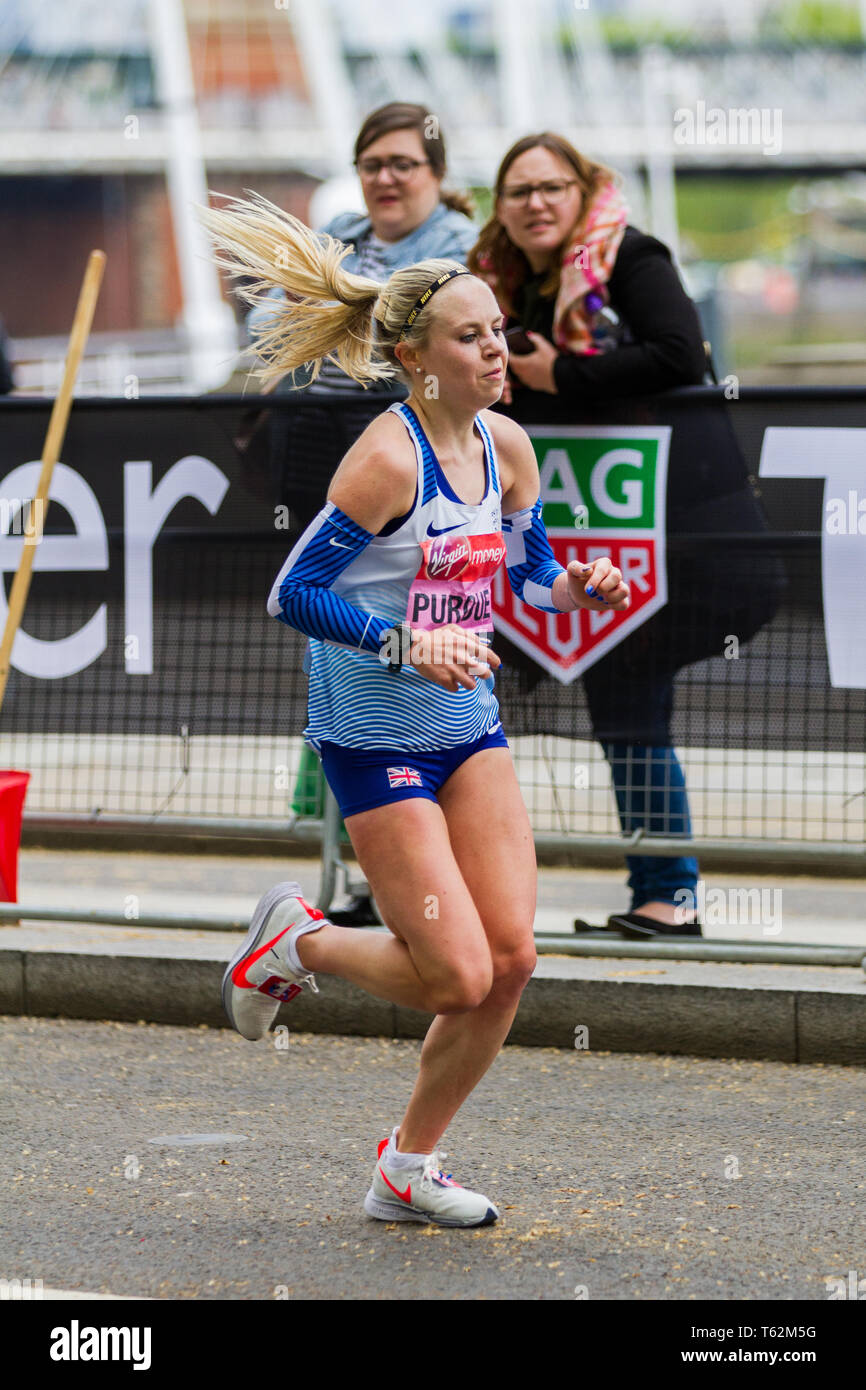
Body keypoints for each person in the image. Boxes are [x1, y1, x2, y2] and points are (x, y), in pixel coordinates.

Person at [201, 193, 630, 1227]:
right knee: (453, 973)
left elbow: (526, 575)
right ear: (415, 358)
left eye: (495, 331)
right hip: (372, 739)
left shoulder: (507, 450)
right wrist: (405, 642)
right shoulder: (384, 461)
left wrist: (583, 587)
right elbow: (292, 594)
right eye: (471, 336)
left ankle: (406, 1165)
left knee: (510, 961)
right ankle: (292, 941)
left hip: (466, 728)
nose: (494, 349)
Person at [469, 132, 708, 939]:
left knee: (633, 709)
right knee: (464, 706)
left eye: (552, 186)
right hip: (536, 526)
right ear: (500, 208)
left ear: (583, 191)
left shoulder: (632, 258)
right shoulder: (502, 283)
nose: (536, 202)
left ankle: (667, 898)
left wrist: (557, 376)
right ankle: (467, 902)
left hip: (641, 524)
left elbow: (680, 352)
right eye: (518, 190)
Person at [246, 102, 478, 924]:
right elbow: (265, 324)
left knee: (415, 667)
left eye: (403, 164)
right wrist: (346, 304)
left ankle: (420, 883)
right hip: (323, 461)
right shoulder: (340, 232)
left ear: (436, 176)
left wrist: (338, 305)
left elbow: (423, 318)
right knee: (335, 651)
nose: (385, 177)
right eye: (372, 162)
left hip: (414, 469)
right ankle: (365, 876)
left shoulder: (455, 246)